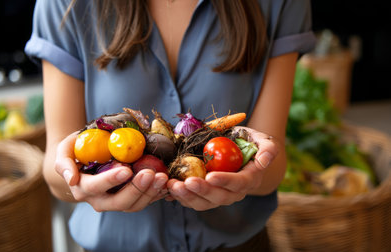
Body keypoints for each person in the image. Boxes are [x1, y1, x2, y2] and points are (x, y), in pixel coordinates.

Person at [25, 0, 315, 251]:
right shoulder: (66, 4)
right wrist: (77, 180)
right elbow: (55, 171)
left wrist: (255, 166)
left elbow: (272, 167)